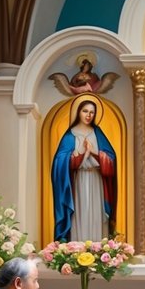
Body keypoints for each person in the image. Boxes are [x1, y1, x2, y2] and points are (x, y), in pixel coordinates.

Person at [52, 98, 117, 243]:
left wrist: (95, 152)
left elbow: (111, 160)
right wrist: (80, 154)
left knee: (96, 213)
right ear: (78, 112)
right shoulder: (70, 135)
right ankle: (77, 247)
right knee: (80, 213)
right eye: (85, 111)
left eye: (92, 112)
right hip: (77, 182)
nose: (88, 115)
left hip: (96, 180)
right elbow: (59, 162)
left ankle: (99, 247)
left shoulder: (97, 133)